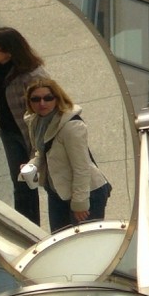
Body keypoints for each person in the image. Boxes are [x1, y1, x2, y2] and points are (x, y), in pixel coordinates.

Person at [23, 77, 111, 232]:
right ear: (29, 102)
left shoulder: (71, 126)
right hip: (58, 192)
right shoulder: (36, 122)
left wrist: (80, 203)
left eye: (48, 98)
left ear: (57, 99)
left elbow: (81, 168)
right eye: (35, 99)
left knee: (84, 246)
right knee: (59, 242)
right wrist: (32, 166)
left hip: (86, 193)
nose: (42, 103)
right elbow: (42, 153)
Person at [0, 27, 47, 225]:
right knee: (21, 182)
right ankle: (27, 226)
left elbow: (47, 106)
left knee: (46, 179)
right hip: (9, 132)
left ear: (9, 51)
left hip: (32, 133)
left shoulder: (32, 75)